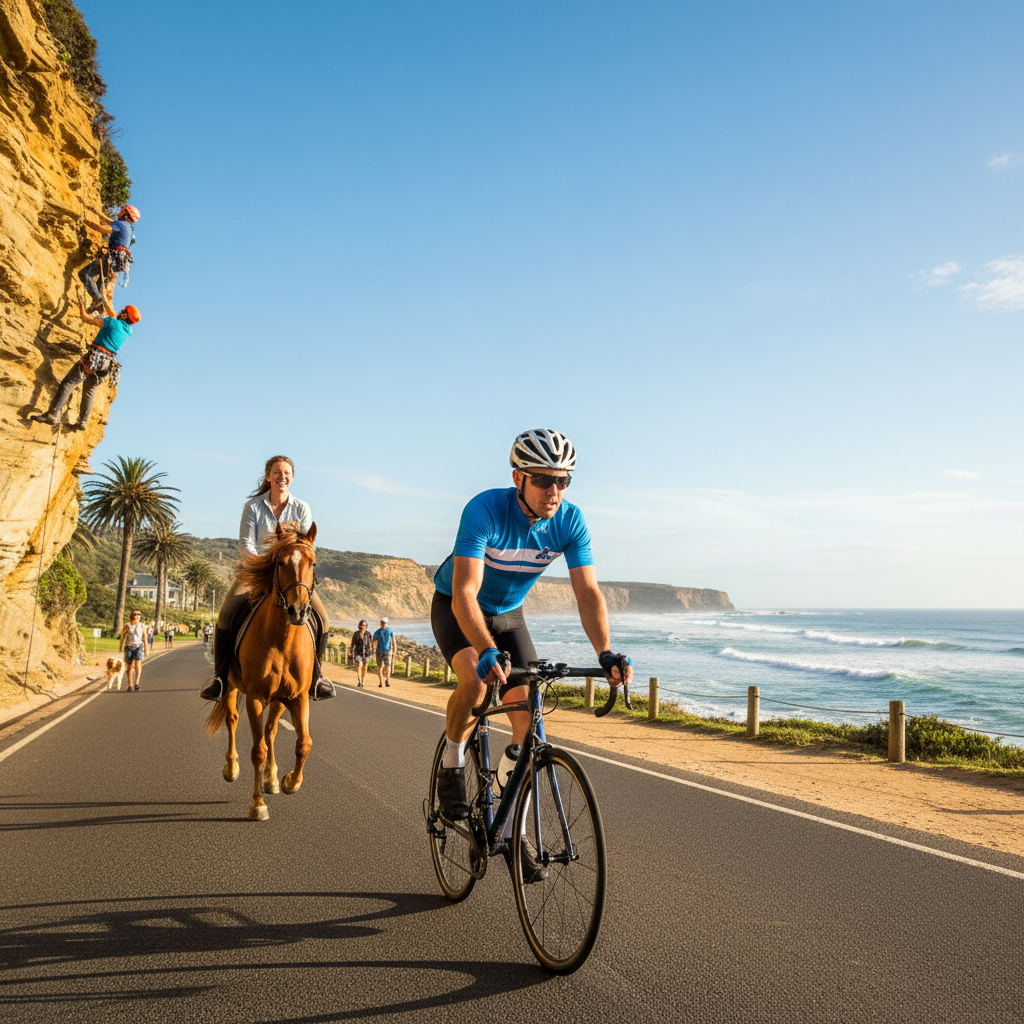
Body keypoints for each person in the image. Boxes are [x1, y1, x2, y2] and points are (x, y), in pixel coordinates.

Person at [430, 428, 632, 834]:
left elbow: (587, 591)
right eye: (542, 479)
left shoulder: (570, 521)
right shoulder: (484, 509)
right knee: (474, 680)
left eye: (562, 480)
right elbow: (465, 592)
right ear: (518, 478)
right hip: (458, 608)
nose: (553, 490)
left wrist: (605, 653)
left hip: (509, 614)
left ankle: (508, 825)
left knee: (529, 724)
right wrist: (485, 649)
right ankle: (451, 762)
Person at [199, 455, 335, 702]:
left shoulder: (302, 508)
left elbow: (303, 544)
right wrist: (266, 564)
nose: (281, 477)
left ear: (292, 478)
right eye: (276, 472)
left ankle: (317, 678)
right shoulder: (253, 506)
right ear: (268, 476)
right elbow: (245, 544)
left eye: (286, 473)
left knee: (323, 619)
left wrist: (287, 566)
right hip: (255, 573)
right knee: (226, 615)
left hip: (291, 575)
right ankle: (220, 679)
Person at [29, 289, 140, 429]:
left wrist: (82, 303)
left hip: (95, 357)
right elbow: (111, 311)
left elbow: (85, 318)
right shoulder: (128, 331)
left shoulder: (111, 322)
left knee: (69, 382)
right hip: (106, 364)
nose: (120, 310)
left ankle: (53, 415)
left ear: (124, 315)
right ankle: (83, 421)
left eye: (123, 310)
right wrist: (105, 296)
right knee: (89, 389)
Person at [79, 204, 140, 312]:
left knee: (85, 274)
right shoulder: (128, 228)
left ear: (126, 215)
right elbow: (108, 220)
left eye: (122, 211)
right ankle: (100, 307)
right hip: (118, 263)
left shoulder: (120, 224)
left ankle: (97, 300)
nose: (119, 212)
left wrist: (85, 221)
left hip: (112, 257)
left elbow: (103, 229)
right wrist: (96, 211)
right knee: (100, 286)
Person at [119, 609, 149, 691]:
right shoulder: (127, 625)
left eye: (139, 615)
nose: (138, 616)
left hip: (139, 646)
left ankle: (136, 683)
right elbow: (122, 637)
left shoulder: (142, 626)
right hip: (129, 646)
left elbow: (145, 637)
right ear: (132, 616)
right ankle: (129, 685)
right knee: (129, 666)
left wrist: (146, 649)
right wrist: (120, 646)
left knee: (138, 663)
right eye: (136, 614)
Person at [372, 617, 395, 687]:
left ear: (387, 623)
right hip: (379, 651)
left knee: (388, 666)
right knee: (380, 667)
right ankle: (381, 682)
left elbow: (393, 640)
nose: (383, 624)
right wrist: (374, 649)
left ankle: (387, 680)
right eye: (382, 623)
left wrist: (394, 650)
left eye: (384, 623)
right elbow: (374, 641)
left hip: (388, 651)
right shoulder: (377, 632)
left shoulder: (390, 630)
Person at [349, 619, 373, 686]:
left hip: (367, 654)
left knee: (365, 667)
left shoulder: (369, 634)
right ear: (359, 626)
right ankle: (359, 681)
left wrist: (371, 653)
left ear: (366, 626)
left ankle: (363, 680)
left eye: (364, 625)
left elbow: (371, 644)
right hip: (358, 653)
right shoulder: (356, 634)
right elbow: (352, 643)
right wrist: (351, 651)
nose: (362, 627)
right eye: (361, 625)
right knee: (360, 663)